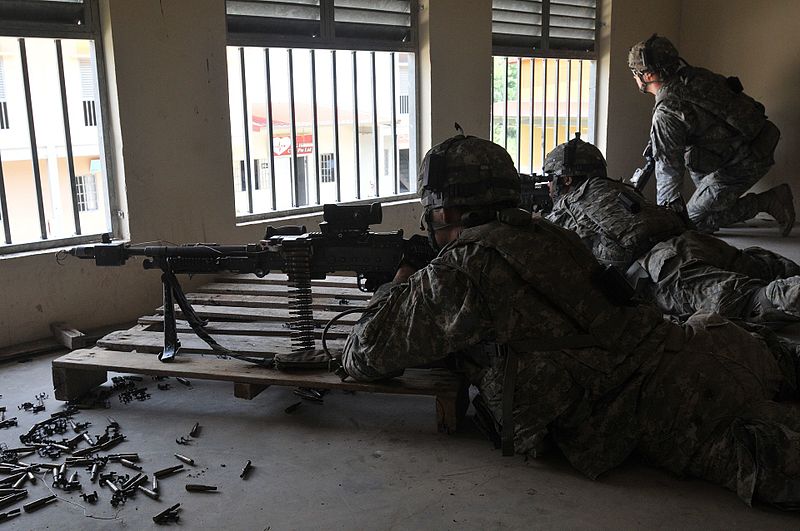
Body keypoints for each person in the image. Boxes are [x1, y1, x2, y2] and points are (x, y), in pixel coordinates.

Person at [342, 134, 800, 509]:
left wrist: (398, 284)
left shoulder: (461, 269)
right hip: (711, 341)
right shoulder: (545, 229)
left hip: (674, 405)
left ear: (443, 210)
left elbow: (364, 355)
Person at [544, 134, 800, 325]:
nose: (549, 187)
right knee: (767, 266)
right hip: (693, 241)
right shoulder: (620, 188)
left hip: (662, 266)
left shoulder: (567, 205)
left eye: (551, 179)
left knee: (748, 301)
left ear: (566, 178)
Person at [628, 34, 795, 235]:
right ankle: (725, 205)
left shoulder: (667, 111)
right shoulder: (694, 77)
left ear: (648, 76)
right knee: (703, 214)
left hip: (745, 159)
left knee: (690, 224)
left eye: (635, 72)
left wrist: (668, 224)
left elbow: (669, 172)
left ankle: (768, 201)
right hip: (750, 143)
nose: (634, 77)